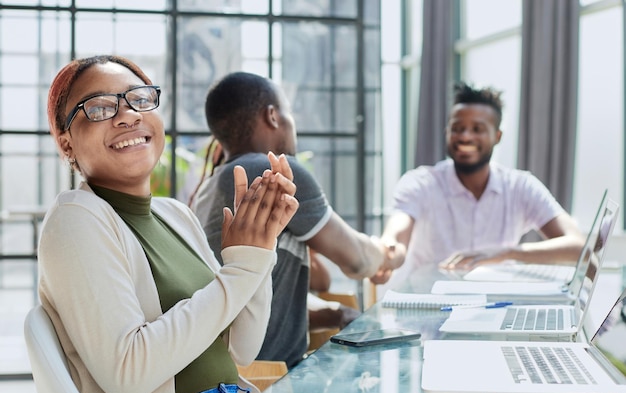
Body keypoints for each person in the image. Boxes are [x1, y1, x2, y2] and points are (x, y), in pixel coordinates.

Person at [39, 55, 299, 393]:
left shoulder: (175, 215)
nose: (128, 114)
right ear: (66, 144)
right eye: (99, 107)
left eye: (140, 99)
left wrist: (258, 251)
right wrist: (240, 272)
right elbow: (128, 374)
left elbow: (241, 349)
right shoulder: (75, 218)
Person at [191, 71, 402, 369]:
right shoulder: (273, 172)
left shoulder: (208, 188)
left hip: (233, 376)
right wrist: (391, 253)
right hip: (271, 383)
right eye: (290, 112)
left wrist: (335, 313)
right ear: (273, 116)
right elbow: (359, 262)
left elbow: (257, 298)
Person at [374, 81, 585, 282]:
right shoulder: (419, 183)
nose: (465, 137)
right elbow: (397, 235)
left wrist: (506, 253)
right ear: (447, 132)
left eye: (477, 129)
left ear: (497, 136)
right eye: (457, 128)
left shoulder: (521, 187)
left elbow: (577, 245)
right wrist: (388, 254)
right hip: (427, 307)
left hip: (494, 306)